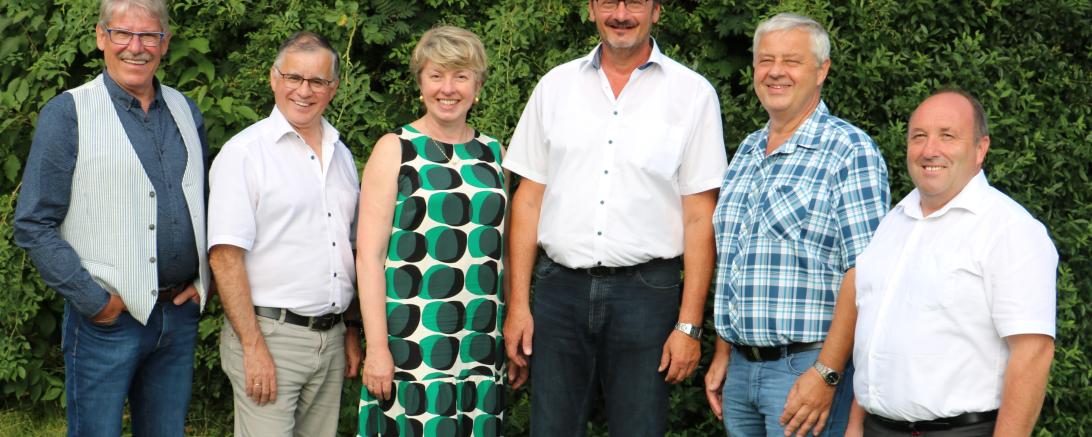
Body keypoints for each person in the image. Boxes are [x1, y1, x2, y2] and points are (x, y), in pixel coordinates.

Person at [503, 0, 727, 434]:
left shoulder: (693, 93)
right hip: (558, 293)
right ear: (591, 10)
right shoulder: (555, 86)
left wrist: (689, 324)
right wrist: (517, 306)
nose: (620, 13)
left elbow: (701, 217)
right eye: (609, 2)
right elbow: (527, 200)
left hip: (647, 295)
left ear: (656, 11)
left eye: (635, 3)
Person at [12, 0, 209, 435]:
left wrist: (202, 280)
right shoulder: (67, 114)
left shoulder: (185, 110)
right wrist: (94, 302)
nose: (135, 47)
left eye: (149, 36)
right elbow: (33, 223)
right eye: (123, 33)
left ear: (165, 43)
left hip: (177, 316)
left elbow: (203, 200)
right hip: (107, 322)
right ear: (102, 37)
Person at [704, 12, 890, 437]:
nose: (775, 72)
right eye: (765, 60)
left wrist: (827, 373)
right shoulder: (748, 151)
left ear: (822, 70)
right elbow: (732, 261)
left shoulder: (848, 150)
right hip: (741, 372)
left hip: (806, 369)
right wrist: (722, 354)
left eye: (792, 61)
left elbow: (864, 272)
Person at [849, 90, 1057, 436]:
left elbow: (1033, 353)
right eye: (919, 136)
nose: (930, 150)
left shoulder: (1010, 230)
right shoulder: (892, 224)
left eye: (948, 136)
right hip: (877, 428)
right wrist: (856, 426)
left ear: (980, 148)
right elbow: (875, 333)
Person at [208, 31, 362, 437]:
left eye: (317, 82)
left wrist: (350, 329)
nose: (304, 91)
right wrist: (253, 347)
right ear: (274, 78)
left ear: (333, 88)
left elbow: (346, 250)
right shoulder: (245, 153)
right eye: (294, 78)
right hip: (269, 337)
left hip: (329, 341)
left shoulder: (342, 155)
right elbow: (225, 257)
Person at [355, 25, 507, 437]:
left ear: (477, 84)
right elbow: (368, 257)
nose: (448, 88)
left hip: (479, 343)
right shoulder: (396, 148)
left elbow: (502, 253)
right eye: (436, 75)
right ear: (420, 82)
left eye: (461, 75)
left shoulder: (495, 154)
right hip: (412, 342)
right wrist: (378, 348)